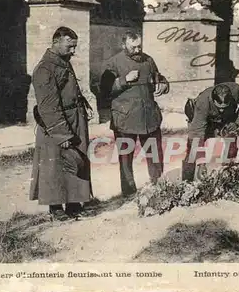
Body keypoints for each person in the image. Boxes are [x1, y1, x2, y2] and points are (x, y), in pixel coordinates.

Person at [29, 26, 95, 221]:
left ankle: (74, 204)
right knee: (55, 165)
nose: (73, 51)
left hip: (75, 120)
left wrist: (84, 104)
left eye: (75, 46)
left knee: (77, 161)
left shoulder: (63, 62)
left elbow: (71, 89)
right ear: (56, 42)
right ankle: (56, 208)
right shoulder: (44, 69)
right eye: (69, 46)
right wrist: (62, 134)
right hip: (56, 125)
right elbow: (48, 106)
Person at [100, 31, 169, 197]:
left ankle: (158, 186)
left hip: (148, 117)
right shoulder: (113, 63)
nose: (138, 50)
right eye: (133, 47)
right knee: (126, 158)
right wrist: (124, 80)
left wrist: (164, 84)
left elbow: (158, 78)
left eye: (140, 46)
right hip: (125, 119)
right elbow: (103, 90)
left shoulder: (148, 60)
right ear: (124, 45)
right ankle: (129, 193)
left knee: (154, 154)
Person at [182, 82, 239, 182]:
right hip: (204, 120)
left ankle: (228, 174)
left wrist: (237, 123)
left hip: (227, 119)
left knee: (231, 144)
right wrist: (201, 163)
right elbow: (197, 134)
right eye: (219, 108)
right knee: (192, 150)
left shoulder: (236, 91)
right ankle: (186, 182)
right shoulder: (203, 103)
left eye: (224, 107)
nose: (221, 110)